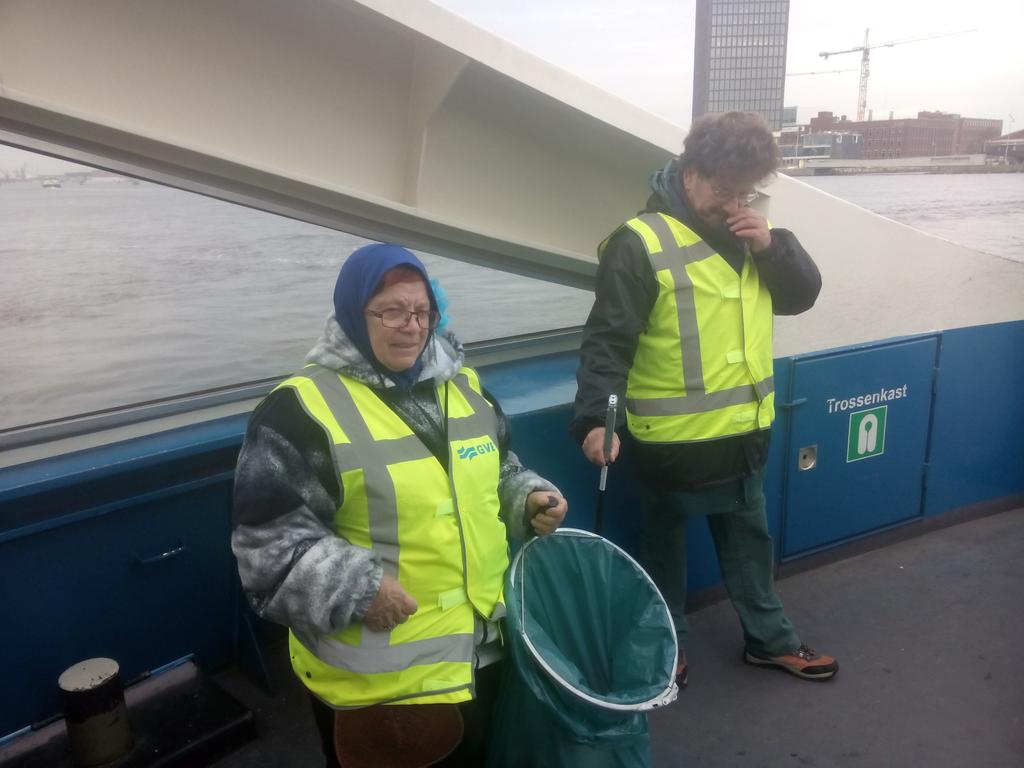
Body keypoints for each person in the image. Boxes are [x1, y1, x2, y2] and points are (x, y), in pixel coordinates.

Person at [232, 242, 568, 767]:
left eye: (421, 311)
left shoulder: (464, 385)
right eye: (391, 310)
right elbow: (266, 549)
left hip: (484, 652)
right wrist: (358, 586)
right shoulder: (299, 410)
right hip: (383, 688)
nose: (411, 326)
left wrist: (526, 496)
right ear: (352, 313)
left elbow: (498, 466)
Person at [570, 111, 837, 686]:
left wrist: (772, 248)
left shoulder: (757, 237)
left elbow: (801, 297)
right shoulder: (637, 243)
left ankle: (770, 641)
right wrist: (597, 418)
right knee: (662, 551)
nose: (734, 202)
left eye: (746, 191)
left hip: (746, 435)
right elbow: (607, 341)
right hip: (671, 444)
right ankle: (669, 647)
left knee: (750, 541)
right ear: (689, 174)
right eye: (722, 189)